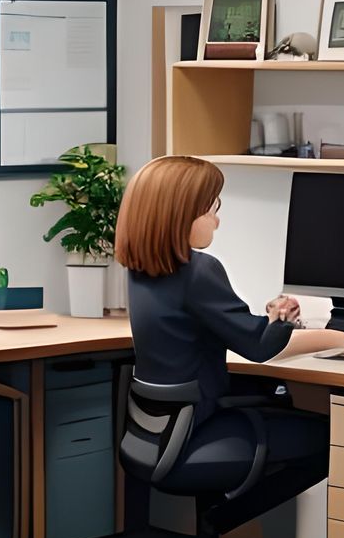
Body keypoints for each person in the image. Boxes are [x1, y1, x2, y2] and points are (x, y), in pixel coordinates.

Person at [113, 155, 332, 519]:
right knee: (335, 439)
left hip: (155, 436)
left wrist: (270, 321)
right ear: (183, 213)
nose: (217, 219)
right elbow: (258, 347)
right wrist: (292, 322)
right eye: (212, 209)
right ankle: (225, 521)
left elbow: (213, 325)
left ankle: (222, 532)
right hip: (194, 432)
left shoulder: (140, 269)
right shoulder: (198, 270)